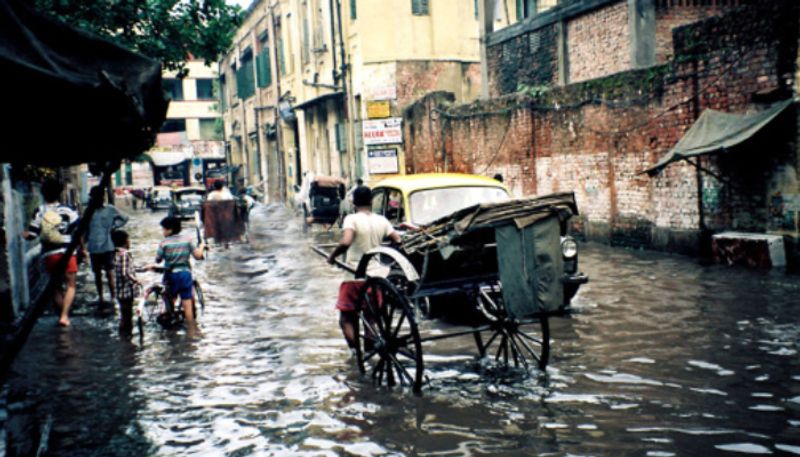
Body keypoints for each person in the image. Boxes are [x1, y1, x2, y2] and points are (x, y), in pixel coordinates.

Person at [327, 186, 402, 351]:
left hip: (355, 276)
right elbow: (397, 239)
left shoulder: (351, 219)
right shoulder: (382, 220)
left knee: (345, 318)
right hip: (376, 277)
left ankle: (355, 353)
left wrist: (332, 256)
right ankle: (371, 346)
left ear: (354, 202)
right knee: (371, 317)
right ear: (371, 201)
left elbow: (346, 242)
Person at [22, 178, 81, 327]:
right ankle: (65, 316)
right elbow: (78, 231)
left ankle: (62, 315)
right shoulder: (68, 210)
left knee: (55, 287)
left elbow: (32, 235)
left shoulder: (40, 211)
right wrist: (83, 249)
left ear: (43, 193)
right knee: (71, 285)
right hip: (68, 252)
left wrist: (22, 234)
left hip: (49, 254)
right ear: (60, 193)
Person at [155, 216, 205, 323]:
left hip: (170, 275)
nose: (162, 231)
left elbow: (158, 260)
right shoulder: (187, 240)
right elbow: (198, 256)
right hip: (185, 275)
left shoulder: (164, 243)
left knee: (170, 300)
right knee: (188, 307)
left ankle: (172, 324)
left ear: (170, 229)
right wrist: (201, 246)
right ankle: (191, 332)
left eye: (163, 229)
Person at [84, 185, 128, 303]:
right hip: (93, 247)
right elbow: (84, 229)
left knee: (109, 272)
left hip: (107, 246)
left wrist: (113, 226)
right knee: (97, 273)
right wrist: (83, 246)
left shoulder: (110, 209)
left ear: (102, 197)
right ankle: (101, 296)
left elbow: (124, 218)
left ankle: (113, 296)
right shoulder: (88, 211)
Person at [112, 230, 140, 334]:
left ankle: (125, 335)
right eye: (129, 239)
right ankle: (126, 335)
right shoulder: (125, 254)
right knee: (127, 315)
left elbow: (127, 269)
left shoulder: (116, 253)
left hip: (120, 289)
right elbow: (126, 272)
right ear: (125, 241)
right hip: (126, 290)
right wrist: (137, 280)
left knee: (124, 314)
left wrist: (143, 268)